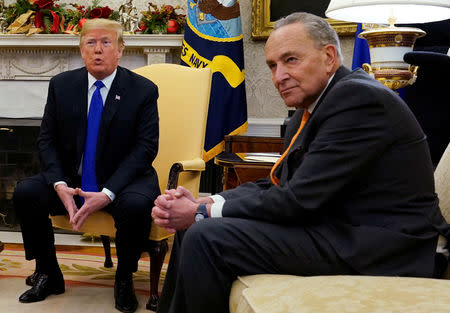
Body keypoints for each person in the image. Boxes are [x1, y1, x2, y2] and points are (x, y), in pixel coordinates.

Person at [152, 12, 450, 313]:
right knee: (194, 227)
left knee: (206, 235)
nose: (278, 76)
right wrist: (208, 201)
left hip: (380, 246)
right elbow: (276, 183)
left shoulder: (360, 100)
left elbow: (297, 200)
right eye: (272, 66)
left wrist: (201, 211)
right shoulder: (310, 108)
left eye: (291, 60)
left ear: (329, 57)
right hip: (336, 226)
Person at [13, 19, 159, 313]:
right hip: (73, 179)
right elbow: (46, 140)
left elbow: (145, 149)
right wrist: (59, 185)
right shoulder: (62, 85)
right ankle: (48, 273)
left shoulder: (142, 90)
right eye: (90, 43)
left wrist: (108, 192)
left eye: (106, 42)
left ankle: (123, 278)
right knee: (26, 192)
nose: (98, 50)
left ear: (120, 50)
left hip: (124, 180)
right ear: (81, 50)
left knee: (135, 207)